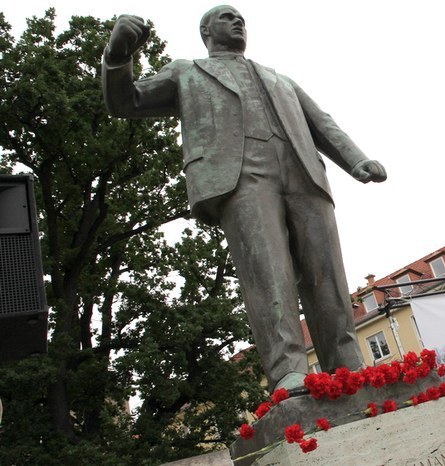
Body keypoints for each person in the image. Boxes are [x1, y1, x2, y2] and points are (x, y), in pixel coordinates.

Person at [102, 6, 388, 392]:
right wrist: (119, 55)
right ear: (206, 31)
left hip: (303, 173)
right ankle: (289, 370)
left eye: (241, 18)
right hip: (241, 178)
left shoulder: (278, 78)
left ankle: (348, 365)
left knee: (328, 275)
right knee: (269, 275)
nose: (237, 22)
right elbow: (127, 102)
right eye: (226, 17)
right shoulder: (187, 71)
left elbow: (321, 122)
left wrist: (356, 160)